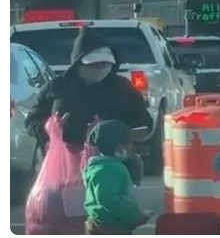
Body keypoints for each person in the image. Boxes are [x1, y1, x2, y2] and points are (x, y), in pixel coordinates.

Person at [25, 26, 152, 156]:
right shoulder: (57, 87)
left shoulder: (122, 88)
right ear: (78, 63)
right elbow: (31, 122)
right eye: (93, 64)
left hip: (112, 162)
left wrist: (113, 130)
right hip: (64, 162)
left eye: (105, 64)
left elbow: (145, 123)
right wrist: (51, 127)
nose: (100, 68)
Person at [83, 120, 153, 235]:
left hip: (103, 224)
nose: (133, 147)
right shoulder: (109, 169)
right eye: (130, 143)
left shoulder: (101, 166)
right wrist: (134, 216)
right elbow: (106, 198)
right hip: (111, 227)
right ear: (120, 148)